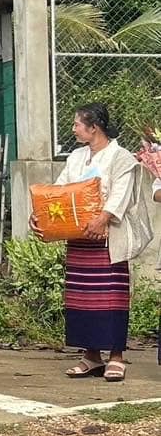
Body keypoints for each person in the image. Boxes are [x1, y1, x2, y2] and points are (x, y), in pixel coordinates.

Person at [48, 103, 150, 383]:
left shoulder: (121, 157)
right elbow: (60, 188)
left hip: (108, 240)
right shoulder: (76, 157)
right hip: (80, 238)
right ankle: (91, 356)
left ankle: (116, 357)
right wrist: (43, 212)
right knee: (82, 298)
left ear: (94, 127)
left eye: (77, 124)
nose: (73, 129)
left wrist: (103, 218)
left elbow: (121, 194)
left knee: (111, 298)